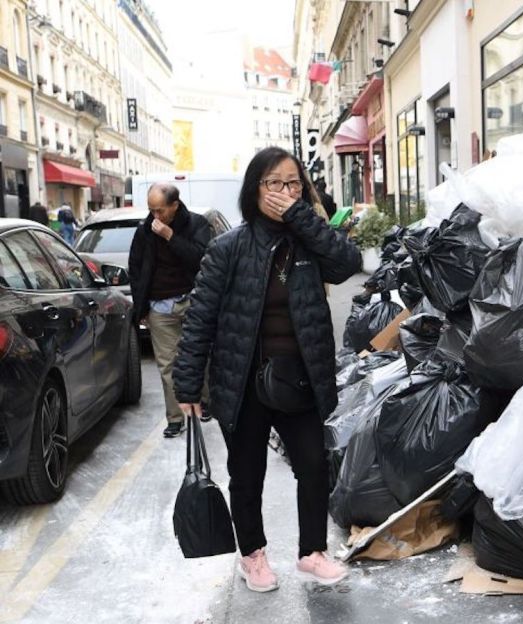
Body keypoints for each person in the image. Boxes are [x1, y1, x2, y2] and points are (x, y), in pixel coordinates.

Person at [174, 146, 360, 592]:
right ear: (254, 188)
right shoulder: (228, 248)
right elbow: (200, 317)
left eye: (293, 183)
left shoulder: (309, 243)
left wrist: (302, 216)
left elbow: (349, 262)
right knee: (248, 472)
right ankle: (253, 556)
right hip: (243, 382)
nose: (284, 191)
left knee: (314, 466)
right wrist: (187, 384)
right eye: (274, 183)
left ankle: (312, 552)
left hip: (300, 378)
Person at [128, 184, 213, 438]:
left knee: (201, 354)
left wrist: (170, 236)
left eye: (160, 210)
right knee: (167, 364)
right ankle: (176, 417)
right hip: (159, 307)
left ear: (175, 205)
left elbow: (201, 258)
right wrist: (141, 306)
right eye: (151, 210)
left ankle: (204, 401)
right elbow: (136, 268)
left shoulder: (196, 224)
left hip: (192, 301)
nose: (155, 216)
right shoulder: (144, 230)